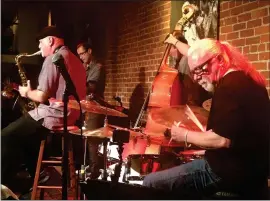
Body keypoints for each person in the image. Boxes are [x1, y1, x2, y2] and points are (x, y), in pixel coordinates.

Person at [143, 36, 269, 199]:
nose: (195, 78)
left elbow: (221, 140)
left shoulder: (228, 87)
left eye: (198, 69)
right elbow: (238, 136)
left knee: (150, 183)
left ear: (219, 60)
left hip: (227, 173)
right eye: (193, 72)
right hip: (254, 173)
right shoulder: (252, 81)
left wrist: (184, 135)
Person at [1, 26, 86, 192]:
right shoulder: (76, 60)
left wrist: (25, 92)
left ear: (50, 41)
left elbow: (41, 96)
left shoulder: (54, 58)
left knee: (4, 136)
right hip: (70, 115)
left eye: (40, 43)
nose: (39, 48)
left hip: (53, 115)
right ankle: (38, 174)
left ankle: (5, 186)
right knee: (25, 135)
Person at [76, 42, 106, 179]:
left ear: (90, 50)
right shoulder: (84, 67)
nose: (81, 57)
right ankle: (89, 166)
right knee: (86, 138)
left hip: (95, 106)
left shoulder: (97, 67)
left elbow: (90, 87)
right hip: (85, 106)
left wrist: (77, 82)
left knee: (93, 138)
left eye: (82, 53)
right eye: (79, 55)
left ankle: (95, 171)